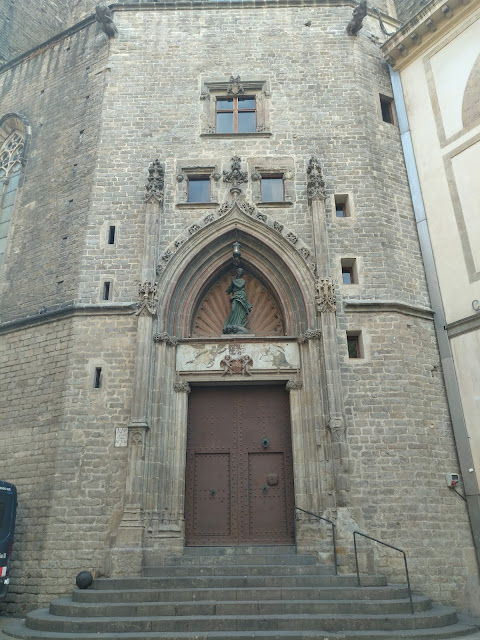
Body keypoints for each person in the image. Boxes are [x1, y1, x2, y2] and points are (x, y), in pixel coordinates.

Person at [223, 268, 252, 334]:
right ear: (237, 272)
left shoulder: (243, 281)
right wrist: (229, 289)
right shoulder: (234, 281)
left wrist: (233, 282)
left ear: (242, 273)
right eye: (238, 272)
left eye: (241, 272)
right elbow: (231, 288)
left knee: (241, 310)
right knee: (233, 309)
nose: (239, 273)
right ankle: (232, 323)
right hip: (235, 295)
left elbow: (240, 286)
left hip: (241, 295)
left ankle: (239, 323)